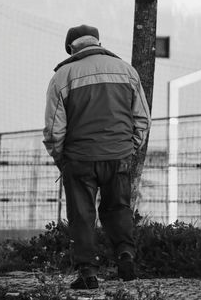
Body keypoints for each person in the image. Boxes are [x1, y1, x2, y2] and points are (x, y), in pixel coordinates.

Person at [43, 24, 151, 289]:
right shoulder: (127, 71)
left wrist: (61, 159)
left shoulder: (63, 76)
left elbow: (54, 129)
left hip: (79, 158)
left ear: (71, 48)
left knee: (82, 215)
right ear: (98, 43)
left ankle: (88, 273)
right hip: (118, 156)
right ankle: (125, 255)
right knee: (117, 208)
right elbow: (142, 119)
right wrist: (128, 148)